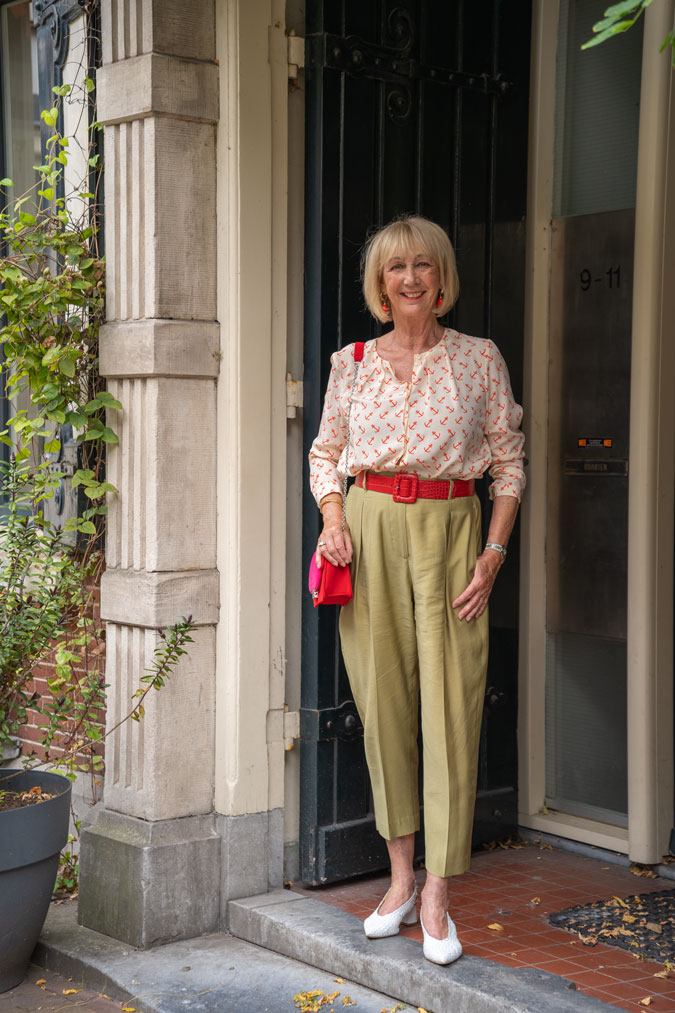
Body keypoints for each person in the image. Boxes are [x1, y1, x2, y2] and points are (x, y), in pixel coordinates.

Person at [308, 215, 525, 964]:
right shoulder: (353, 360)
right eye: (396, 268)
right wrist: (333, 520)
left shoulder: (477, 358)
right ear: (379, 284)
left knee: (452, 708)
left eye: (424, 266)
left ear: (441, 280)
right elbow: (325, 454)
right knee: (384, 707)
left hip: (451, 532)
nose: (410, 279)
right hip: (368, 531)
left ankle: (438, 889)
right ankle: (399, 880)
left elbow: (508, 463)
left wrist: (492, 553)